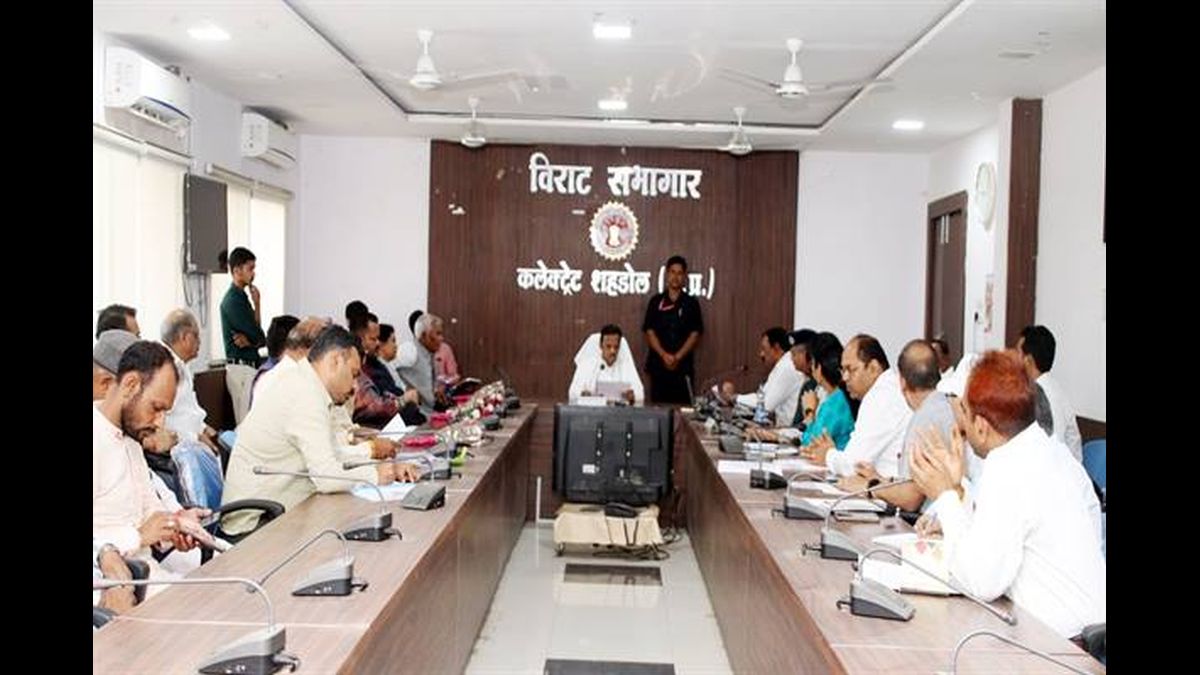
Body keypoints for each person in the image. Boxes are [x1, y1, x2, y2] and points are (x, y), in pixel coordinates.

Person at [907, 350, 1105, 638]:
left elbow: (981, 581)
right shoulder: (1050, 453)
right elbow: (995, 544)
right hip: (1074, 638)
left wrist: (945, 496)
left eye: (964, 414)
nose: (961, 426)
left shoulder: (1010, 467)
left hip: (1057, 647)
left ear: (981, 426)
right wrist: (958, 492)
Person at [221, 326, 421, 535]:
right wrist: (375, 474)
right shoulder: (303, 393)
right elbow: (327, 477)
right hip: (254, 525)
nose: (355, 386)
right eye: (353, 375)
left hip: (279, 510)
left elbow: (332, 454)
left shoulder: (306, 383)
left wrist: (384, 467)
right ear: (335, 361)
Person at [642, 255, 704, 404]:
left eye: (679, 273)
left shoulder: (691, 303)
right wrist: (664, 355)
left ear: (684, 276)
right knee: (658, 410)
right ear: (667, 274)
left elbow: (695, 333)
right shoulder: (656, 301)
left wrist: (677, 357)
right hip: (659, 366)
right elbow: (649, 331)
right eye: (672, 272)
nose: (675, 277)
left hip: (683, 367)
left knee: (683, 411)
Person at [1017, 325, 1082, 462]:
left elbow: (1046, 453)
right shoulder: (1056, 390)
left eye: (1018, 354)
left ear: (1028, 361)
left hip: (1056, 470)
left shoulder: (1043, 398)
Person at [219, 247, 267, 423]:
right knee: (245, 424)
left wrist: (257, 304)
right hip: (241, 370)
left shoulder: (242, 297)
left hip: (248, 367)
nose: (253, 274)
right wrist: (255, 340)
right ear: (237, 270)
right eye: (250, 268)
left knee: (251, 421)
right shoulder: (233, 301)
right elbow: (259, 336)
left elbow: (258, 337)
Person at [568, 324, 645, 404]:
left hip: (619, 411)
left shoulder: (626, 365)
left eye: (616, 347)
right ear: (601, 346)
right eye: (608, 346)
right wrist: (583, 395)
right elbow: (572, 392)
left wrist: (632, 395)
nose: (612, 351)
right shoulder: (588, 364)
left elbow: (640, 393)